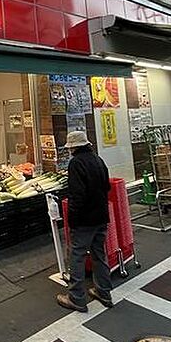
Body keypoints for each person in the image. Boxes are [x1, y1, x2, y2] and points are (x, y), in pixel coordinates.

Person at [57, 131, 113, 313]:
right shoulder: (98, 159)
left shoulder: (76, 163)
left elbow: (77, 195)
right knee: (99, 254)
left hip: (84, 219)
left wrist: (73, 219)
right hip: (101, 215)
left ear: (73, 147)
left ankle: (76, 298)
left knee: (77, 256)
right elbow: (107, 186)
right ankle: (104, 292)